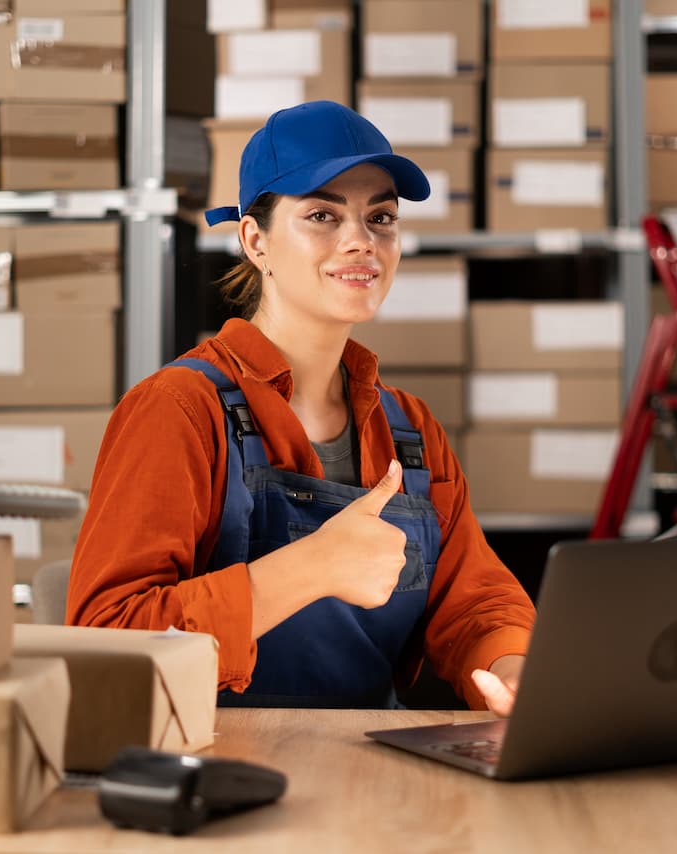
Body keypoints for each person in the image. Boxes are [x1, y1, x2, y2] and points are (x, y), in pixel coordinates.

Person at [66, 100, 535, 715]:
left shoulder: (410, 430)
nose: (361, 241)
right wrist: (307, 570)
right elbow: (107, 641)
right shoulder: (179, 410)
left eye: (381, 217)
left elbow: (476, 603)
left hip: (374, 769)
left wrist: (513, 671)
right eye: (322, 215)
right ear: (255, 240)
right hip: (219, 773)